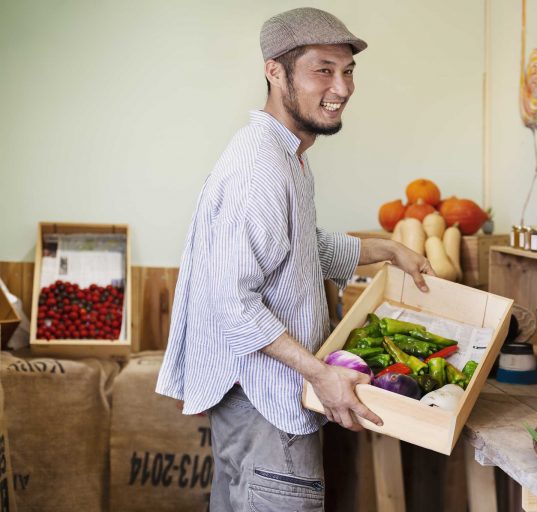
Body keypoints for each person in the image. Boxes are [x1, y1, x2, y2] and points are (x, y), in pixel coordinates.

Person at [156, 7, 433, 511]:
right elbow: (233, 303)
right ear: (275, 71)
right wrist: (320, 373)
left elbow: (302, 248)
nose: (342, 87)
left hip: (267, 403)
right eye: (322, 70)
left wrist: (388, 249)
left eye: (348, 71)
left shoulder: (288, 157)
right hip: (267, 406)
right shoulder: (259, 168)